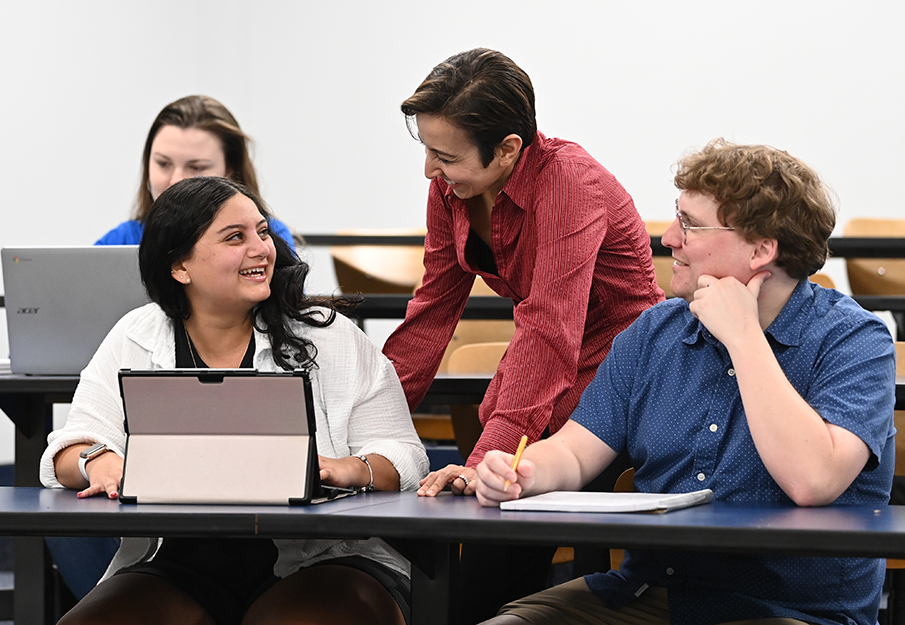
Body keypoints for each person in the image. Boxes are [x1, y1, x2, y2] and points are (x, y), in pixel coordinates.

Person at [476, 139, 897, 625]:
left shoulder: (853, 340)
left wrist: (743, 337)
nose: (669, 238)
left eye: (691, 223)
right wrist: (523, 471)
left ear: (762, 249)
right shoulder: (655, 332)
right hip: (648, 596)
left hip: (790, 610)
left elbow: (813, 480)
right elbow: (573, 452)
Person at [41, 176, 429, 625]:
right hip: (178, 564)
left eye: (262, 232)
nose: (262, 248)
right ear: (180, 266)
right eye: (235, 238)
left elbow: (407, 456)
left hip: (326, 557)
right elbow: (65, 452)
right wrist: (99, 460)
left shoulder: (327, 334)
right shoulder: (136, 334)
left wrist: (352, 468)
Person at [381, 47, 664, 621]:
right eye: (428, 149)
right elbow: (432, 308)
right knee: (490, 543)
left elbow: (551, 331)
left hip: (628, 371)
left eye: (445, 156)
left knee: (498, 528)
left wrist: (490, 457)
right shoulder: (451, 189)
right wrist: (366, 419)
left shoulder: (570, 182)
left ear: (510, 149)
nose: (430, 171)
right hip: (550, 368)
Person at [95, 95, 294, 248]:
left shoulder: (268, 240)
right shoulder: (117, 242)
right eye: (163, 164)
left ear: (230, 172)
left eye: (197, 167)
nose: (176, 180)